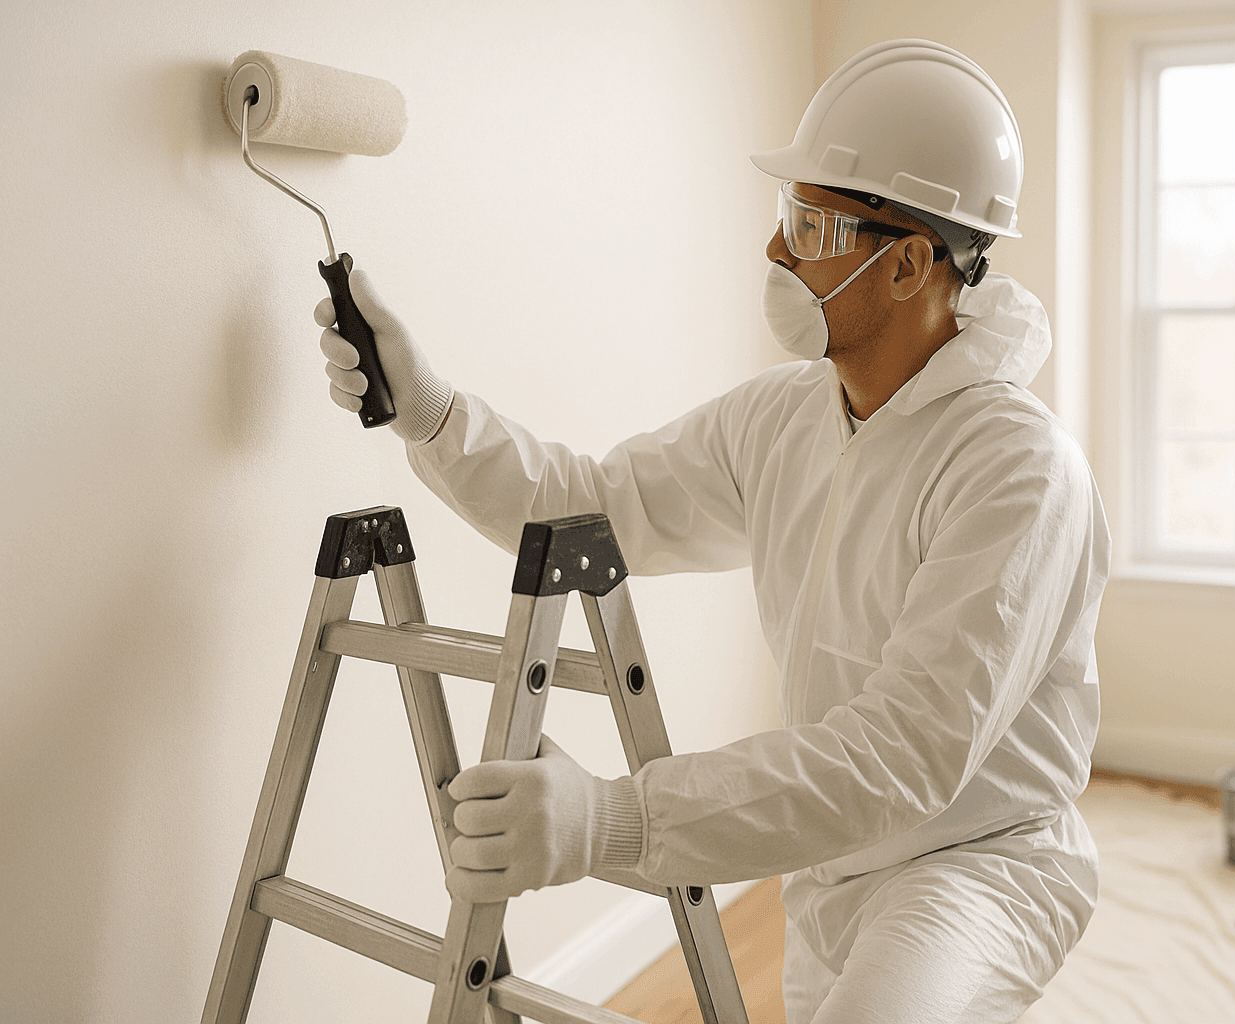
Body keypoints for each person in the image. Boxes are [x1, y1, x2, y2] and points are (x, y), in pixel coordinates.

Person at [318, 38, 1109, 1024]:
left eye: (811, 223)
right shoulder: (784, 418)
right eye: (788, 214)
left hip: (979, 861)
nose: (776, 251)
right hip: (836, 854)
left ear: (909, 264)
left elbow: (903, 755)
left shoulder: (1020, 470)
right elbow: (587, 503)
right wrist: (430, 411)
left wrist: (612, 817)